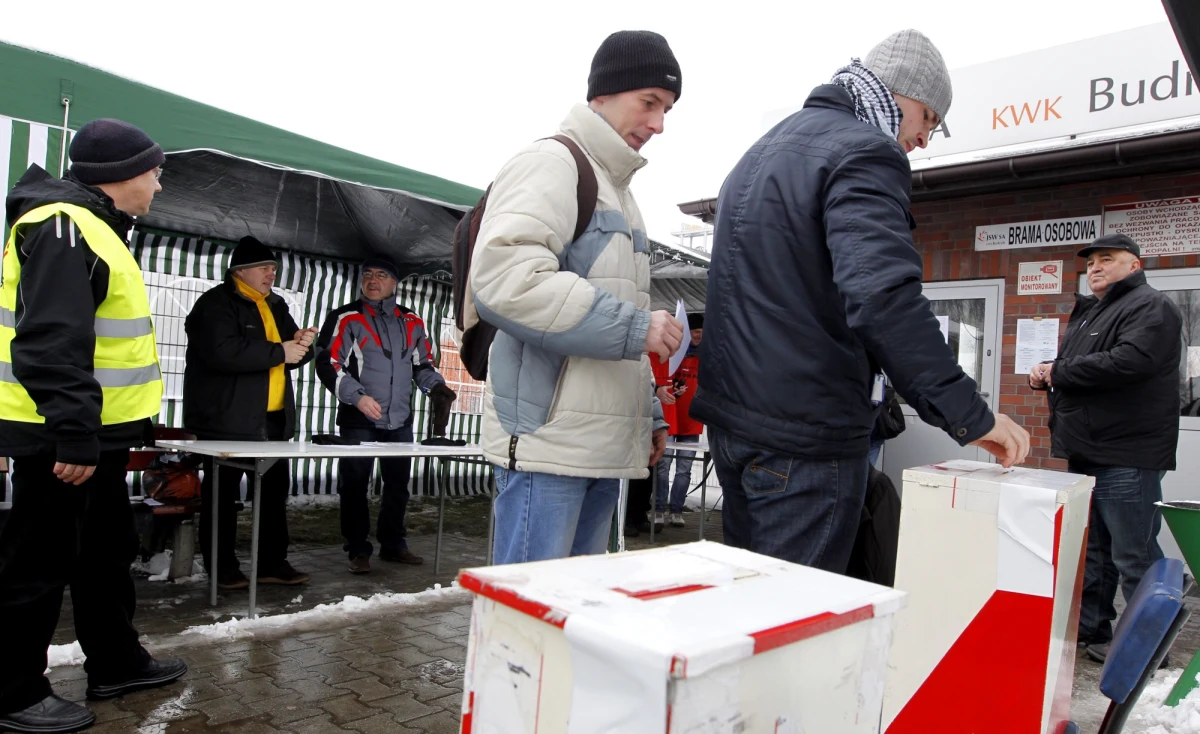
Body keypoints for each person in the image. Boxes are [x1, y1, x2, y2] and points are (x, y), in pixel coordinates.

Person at [691, 29, 1030, 574]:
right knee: (797, 628)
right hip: (805, 437)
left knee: (748, 617)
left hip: (736, 424)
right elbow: (882, 297)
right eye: (928, 122)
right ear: (907, 99)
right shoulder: (866, 151)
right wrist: (971, 415)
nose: (921, 141)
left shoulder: (764, 151)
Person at [462, 30, 683, 564]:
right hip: (548, 446)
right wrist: (637, 329)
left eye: (668, 109)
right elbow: (505, 279)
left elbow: (617, 312)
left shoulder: (622, 195)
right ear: (602, 94)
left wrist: (647, 412)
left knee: (570, 623)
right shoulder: (553, 164)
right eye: (649, 102)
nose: (658, 124)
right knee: (526, 626)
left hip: (599, 447)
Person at [0, 119, 185, 733]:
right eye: (155, 173)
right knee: (38, 562)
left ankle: (117, 660)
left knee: (106, 551)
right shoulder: (63, 225)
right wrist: (74, 429)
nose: (158, 186)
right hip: (60, 435)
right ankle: (12, 692)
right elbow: (53, 340)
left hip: (95, 433)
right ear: (122, 175)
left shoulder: (95, 228)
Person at [1030, 233, 1182, 663]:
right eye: (1091, 261)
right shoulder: (1093, 311)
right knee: (1094, 551)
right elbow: (1076, 369)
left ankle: (1150, 650)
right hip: (1088, 450)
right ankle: (1094, 633)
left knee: (1134, 553)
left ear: (1133, 266)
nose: (1094, 267)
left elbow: (1130, 361)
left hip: (1126, 455)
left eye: (1107, 259)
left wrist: (1059, 371)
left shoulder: (1150, 306)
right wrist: (1042, 374)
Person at [183, 236, 317, 590]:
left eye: (273, 268)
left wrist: (304, 343)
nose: (271, 273)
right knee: (222, 497)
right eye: (264, 267)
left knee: (273, 495)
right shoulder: (214, 304)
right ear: (239, 271)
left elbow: (291, 353)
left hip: (271, 420)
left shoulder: (275, 305)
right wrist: (279, 352)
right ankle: (221, 567)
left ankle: (273, 562)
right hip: (225, 419)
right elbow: (221, 352)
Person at [315, 256, 457, 574]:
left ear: (395, 283)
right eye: (367, 274)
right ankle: (358, 549)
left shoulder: (412, 322)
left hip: (400, 422)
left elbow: (422, 366)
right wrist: (358, 397)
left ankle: (393, 545)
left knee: (397, 485)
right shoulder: (346, 318)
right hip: (358, 419)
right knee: (354, 484)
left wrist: (435, 388)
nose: (373, 280)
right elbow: (328, 362)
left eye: (381, 275)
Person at [651, 312, 704, 530]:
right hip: (669, 418)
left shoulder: (706, 357)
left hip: (692, 421)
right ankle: (659, 509)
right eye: (695, 331)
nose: (699, 336)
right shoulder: (670, 354)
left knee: (684, 468)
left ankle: (676, 510)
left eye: (701, 332)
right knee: (663, 466)